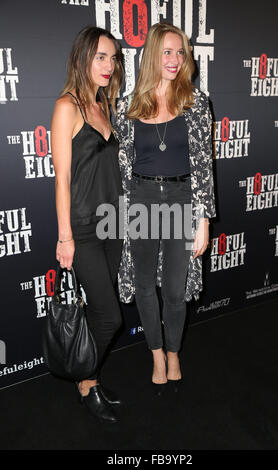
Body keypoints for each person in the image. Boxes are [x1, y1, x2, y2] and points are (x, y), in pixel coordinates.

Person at [115, 22, 216, 394]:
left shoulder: (196, 103)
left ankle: (174, 351)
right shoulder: (127, 106)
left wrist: (203, 219)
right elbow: (122, 166)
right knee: (144, 285)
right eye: (167, 52)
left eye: (180, 52)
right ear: (152, 56)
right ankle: (156, 354)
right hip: (141, 201)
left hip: (182, 201)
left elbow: (205, 165)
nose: (175, 60)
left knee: (175, 289)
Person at [51, 26, 124, 422]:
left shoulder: (103, 104)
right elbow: (61, 178)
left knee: (102, 314)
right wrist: (65, 237)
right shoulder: (68, 107)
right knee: (111, 317)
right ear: (82, 58)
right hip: (81, 228)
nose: (109, 65)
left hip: (113, 225)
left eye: (113, 58)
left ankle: (90, 377)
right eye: (101, 56)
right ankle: (84, 382)